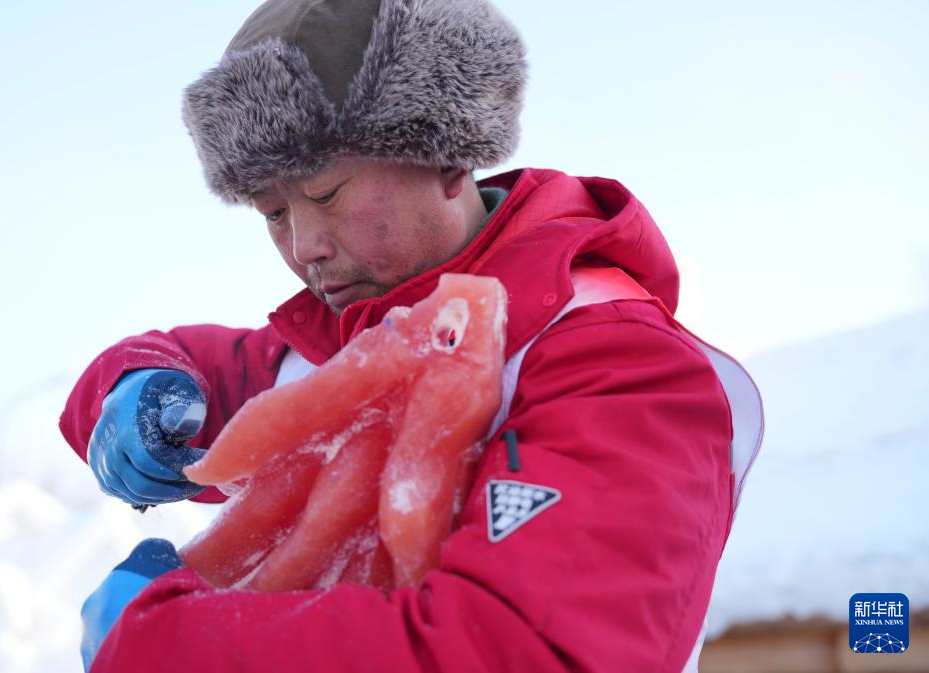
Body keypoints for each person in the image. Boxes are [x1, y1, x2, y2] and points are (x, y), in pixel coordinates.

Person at [60, 1, 763, 671]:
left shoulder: (618, 364)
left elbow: (524, 650)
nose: (304, 246)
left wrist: (166, 647)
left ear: (446, 158)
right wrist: (134, 385)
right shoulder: (338, 344)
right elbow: (201, 365)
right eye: (273, 212)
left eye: (326, 193)